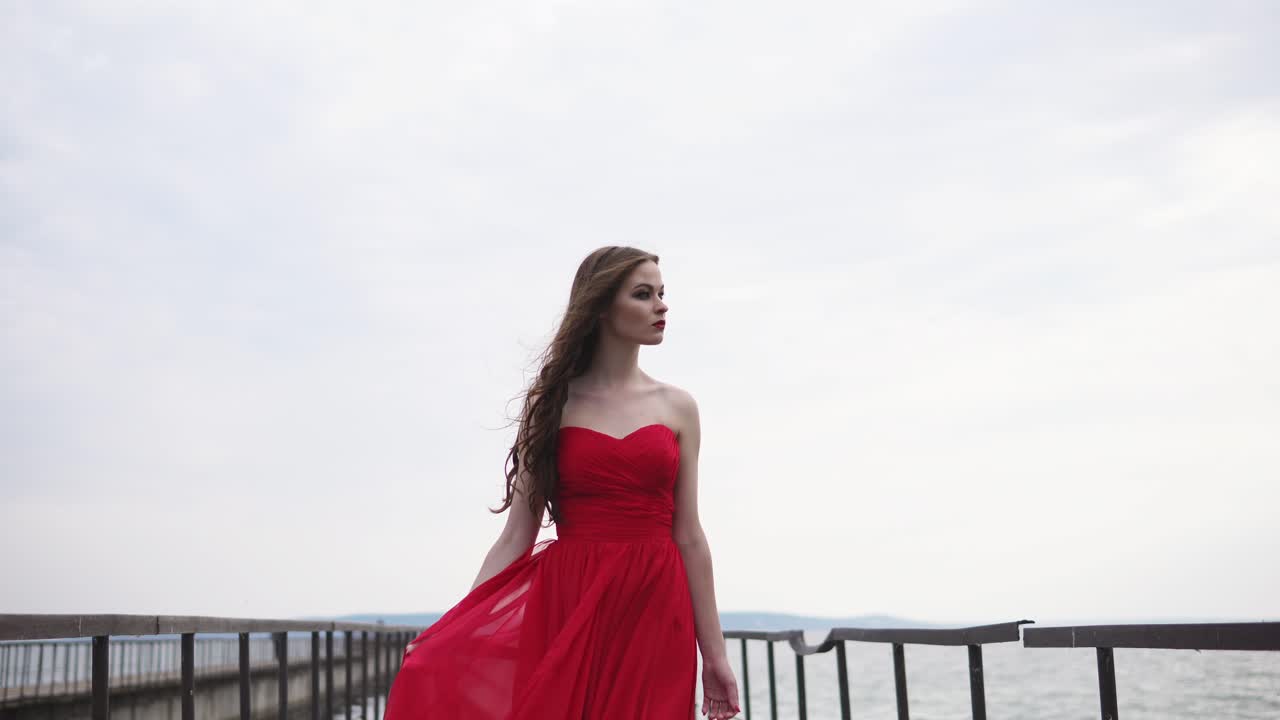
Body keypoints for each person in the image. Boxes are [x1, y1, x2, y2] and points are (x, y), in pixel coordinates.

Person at [385, 246, 741, 719]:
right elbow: (517, 535)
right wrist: (455, 626)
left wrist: (714, 654)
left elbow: (690, 535)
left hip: (656, 605)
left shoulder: (678, 408)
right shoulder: (551, 406)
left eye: (661, 293)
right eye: (643, 294)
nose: (661, 306)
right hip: (569, 601)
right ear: (600, 307)